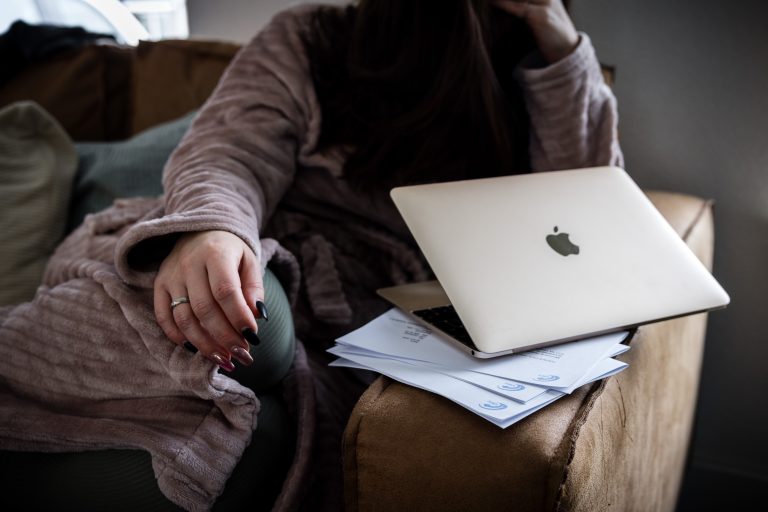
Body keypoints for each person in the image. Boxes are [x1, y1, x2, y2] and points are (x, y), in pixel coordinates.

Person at [0, 0, 622, 510]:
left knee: (257, 438)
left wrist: (559, 47)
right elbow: (230, 150)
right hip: (232, 241)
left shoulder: (537, 71)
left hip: (353, 314)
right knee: (252, 325)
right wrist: (214, 231)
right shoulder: (312, 35)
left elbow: (585, 213)